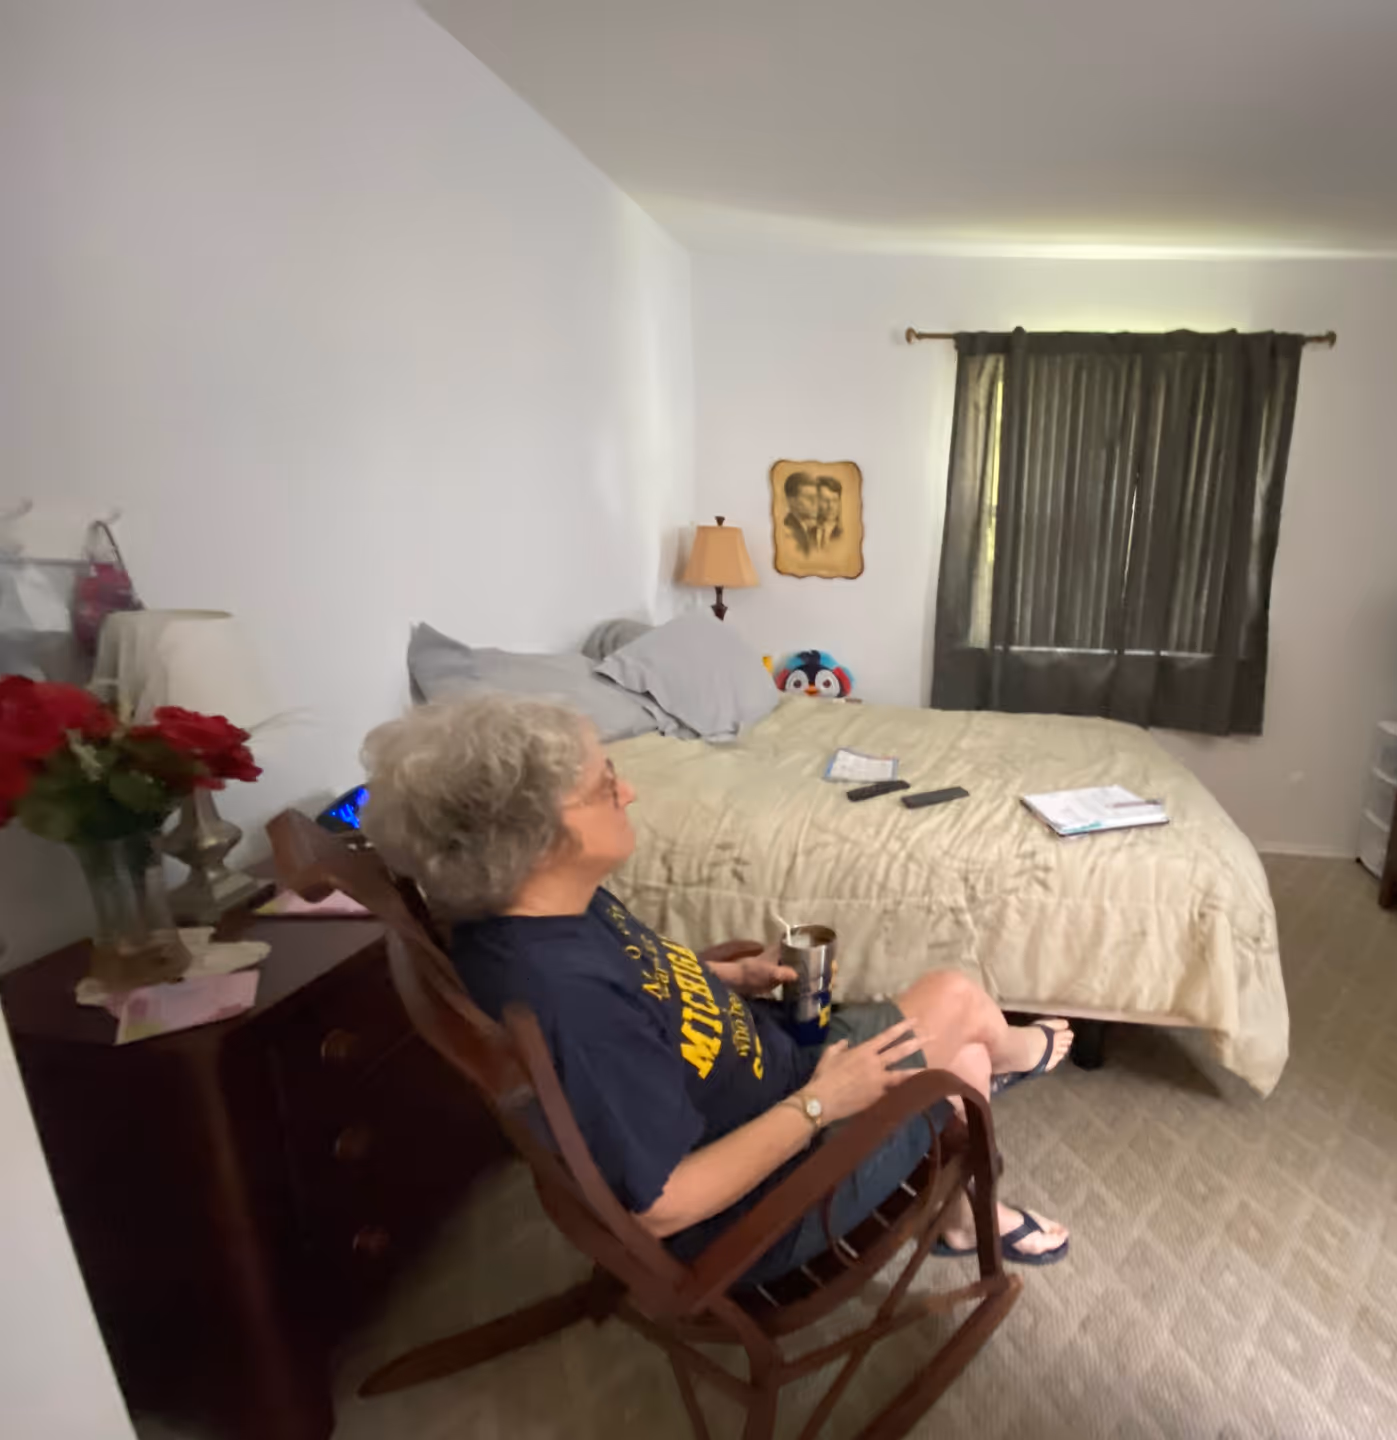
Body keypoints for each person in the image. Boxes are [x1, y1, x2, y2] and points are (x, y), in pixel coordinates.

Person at [360, 695, 1072, 1284]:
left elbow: (637, 981)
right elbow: (662, 1207)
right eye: (605, 785)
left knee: (960, 1043)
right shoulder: (564, 999)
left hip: (772, 1073)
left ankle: (964, 1206)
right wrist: (821, 1104)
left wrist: (724, 975)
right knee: (961, 1030)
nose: (629, 791)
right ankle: (1015, 1060)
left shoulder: (543, 906)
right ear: (536, 838)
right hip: (754, 1209)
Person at [781, 471, 819, 556]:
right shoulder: (787, 531)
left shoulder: (814, 527)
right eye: (809, 498)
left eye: (817, 497)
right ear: (791, 501)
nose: (815, 503)